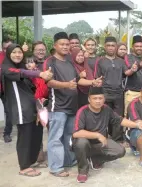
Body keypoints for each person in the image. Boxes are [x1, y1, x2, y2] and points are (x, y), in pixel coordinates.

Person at [44, 32, 102, 177]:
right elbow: (49, 82)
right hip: (58, 107)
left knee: (69, 136)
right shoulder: (50, 62)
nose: (65, 46)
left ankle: (69, 161)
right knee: (55, 137)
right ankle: (56, 167)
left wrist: (92, 82)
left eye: (67, 44)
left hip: (71, 106)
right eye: (62, 44)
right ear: (55, 45)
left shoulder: (70, 61)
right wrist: (66, 85)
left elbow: (78, 80)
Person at [72, 87, 142, 183]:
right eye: (95, 98)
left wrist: (136, 125)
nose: (98, 101)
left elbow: (119, 120)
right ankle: (83, 171)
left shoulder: (106, 109)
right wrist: (97, 135)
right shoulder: (82, 111)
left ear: (104, 99)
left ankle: (96, 159)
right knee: (81, 142)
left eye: (100, 98)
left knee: (120, 151)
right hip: (86, 142)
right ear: (89, 99)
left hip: (100, 143)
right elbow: (76, 133)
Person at [2, 44, 53, 177]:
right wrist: (40, 73)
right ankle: (24, 166)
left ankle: (32, 160)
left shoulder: (22, 66)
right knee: (25, 135)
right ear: (8, 54)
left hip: (33, 104)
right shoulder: (7, 68)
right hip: (20, 107)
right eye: (14, 52)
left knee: (36, 132)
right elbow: (22, 73)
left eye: (20, 52)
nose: (17, 55)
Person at [94, 36, 134, 143]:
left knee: (117, 117)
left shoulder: (121, 61)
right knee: (104, 116)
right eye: (108, 46)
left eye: (113, 45)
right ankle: (103, 139)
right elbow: (96, 78)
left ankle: (117, 139)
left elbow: (127, 73)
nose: (111, 48)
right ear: (104, 47)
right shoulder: (100, 61)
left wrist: (133, 69)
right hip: (105, 93)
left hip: (118, 93)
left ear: (116, 47)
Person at [123, 35, 142, 117]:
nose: (139, 48)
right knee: (129, 116)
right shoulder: (128, 57)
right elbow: (129, 71)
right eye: (137, 46)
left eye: (141, 46)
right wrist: (141, 64)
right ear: (132, 47)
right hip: (131, 92)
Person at [0, 38, 13, 143]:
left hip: (7, 90)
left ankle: (7, 133)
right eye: (5, 48)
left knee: (9, 111)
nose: (6, 50)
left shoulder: (15, 58)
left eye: (9, 48)